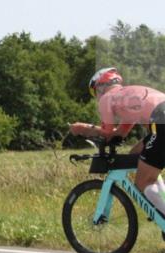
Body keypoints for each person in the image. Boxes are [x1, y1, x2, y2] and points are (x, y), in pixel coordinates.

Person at [70, 67, 165, 217]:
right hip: (160, 123)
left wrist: (83, 128)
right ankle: (161, 200)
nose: (96, 97)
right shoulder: (129, 95)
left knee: (143, 181)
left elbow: (107, 133)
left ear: (99, 86)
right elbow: (120, 134)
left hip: (161, 123)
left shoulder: (108, 97)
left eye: (94, 92)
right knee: (136, 153)